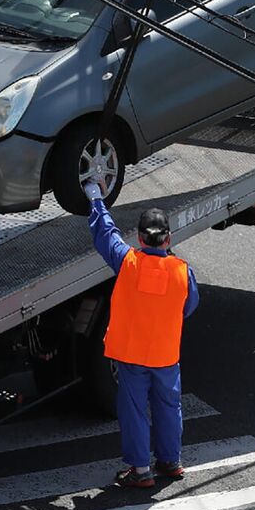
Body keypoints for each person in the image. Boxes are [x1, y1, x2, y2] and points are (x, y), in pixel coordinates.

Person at [86, 186, 199, 490]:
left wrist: (96, 198)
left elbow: (105, 235)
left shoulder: (127, 262)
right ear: (168, 239)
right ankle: (171, 462)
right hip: (165, 355)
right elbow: (189, 308)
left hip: (131, 355)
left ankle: (140, 469)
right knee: (168, 406)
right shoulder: (182, 271)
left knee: (134, 410)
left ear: (139, 238)